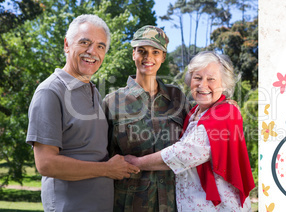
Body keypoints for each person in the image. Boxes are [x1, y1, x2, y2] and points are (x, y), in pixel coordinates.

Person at [26, 14, 139, 212]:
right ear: (67, 45)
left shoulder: (93, 91)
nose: (92, 51)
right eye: (85, 42)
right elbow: (46, 163)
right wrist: (108, 169)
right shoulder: (50, 91)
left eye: (100, 46)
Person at [124, 51, 255, 211]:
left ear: (224, 84)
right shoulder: (194, 112)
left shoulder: (226, 112)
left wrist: (137, 163)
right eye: (197, 78)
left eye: (211, 79)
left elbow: (186, 153)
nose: (202, 85)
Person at [103, 25, 190, 211]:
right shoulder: (112, 102)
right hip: (129, 205)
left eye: (155, 52)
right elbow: (103, 159)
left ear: (163, 57)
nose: (148, 57)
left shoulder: (177, 98)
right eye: (141, 51)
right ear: (133, 54)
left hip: (174, 203)